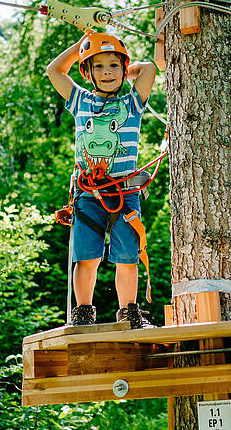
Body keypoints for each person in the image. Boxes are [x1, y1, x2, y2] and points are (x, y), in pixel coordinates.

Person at [47, 31, 157, 329]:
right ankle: (83, 312)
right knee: (87, 256)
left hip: (125, 190)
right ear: (86, 72)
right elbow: (54, 70)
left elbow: (149, 70)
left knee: (127, 255)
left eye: (113, 66)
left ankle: (129, 313)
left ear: (123, 70)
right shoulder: (80, 100)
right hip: (89, 193)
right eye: (98, 67)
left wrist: (126, 68)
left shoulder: (132, 103)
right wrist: (83, 45)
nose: (106, 72)